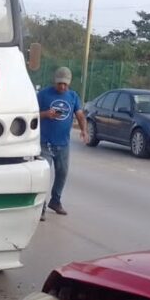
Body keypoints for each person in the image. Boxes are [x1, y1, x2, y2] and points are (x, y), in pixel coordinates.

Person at [37, 67, 88, 218]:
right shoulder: (43, 95)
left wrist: (84, 130)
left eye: (65, 84)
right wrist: (45, 114)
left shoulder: (73, 96)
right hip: (44, 143)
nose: (62, 87)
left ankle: (55, 201)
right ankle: (41, 207)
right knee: (43, 176)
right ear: (55, 81)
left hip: (63, 144)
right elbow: (31, 114)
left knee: (62, 174)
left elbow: (79, 114)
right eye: (60, 84)